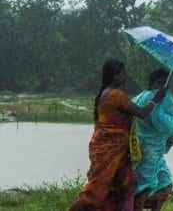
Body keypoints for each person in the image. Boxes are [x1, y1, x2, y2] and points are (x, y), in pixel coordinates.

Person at [67, 59, 166, 211]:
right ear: (116, 75)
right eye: (123, 73)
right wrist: (156, 98)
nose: (126, 76)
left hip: (111, 149)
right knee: (96, 191)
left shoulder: (105, 93)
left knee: (125, 185)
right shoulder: (117, 95)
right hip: (110, 150)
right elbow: (141, 113)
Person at [132, 69, 173, 211]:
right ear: (152, 83)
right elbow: (164, 124)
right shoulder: (157, 98)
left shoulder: (140, 97)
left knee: (165, 183)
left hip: (148, 150)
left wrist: (168, 140)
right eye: (159, 83)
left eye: (165, 83)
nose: (163, 86)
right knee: (144, 187)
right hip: (148, 152)